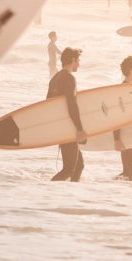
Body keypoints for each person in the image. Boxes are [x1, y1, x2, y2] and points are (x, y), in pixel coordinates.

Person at [47, 47, 87, 182]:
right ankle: (48, 190)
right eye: (78, 60)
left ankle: (69, 196)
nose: (79, 64)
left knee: (79, 165)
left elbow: (47, 104)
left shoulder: (55, 78)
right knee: (69, 169)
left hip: (60, 126)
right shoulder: (70, 78)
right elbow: (72, 104)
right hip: (68, 127)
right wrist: (80, 129)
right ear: (73, 60)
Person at [113, 56, 132, 181]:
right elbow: (117, 116)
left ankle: (122, 195)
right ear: (131, 70)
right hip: (125, 135)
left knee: (128, 172)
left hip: (130, 134)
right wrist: (117, 139)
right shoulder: (123, 90)